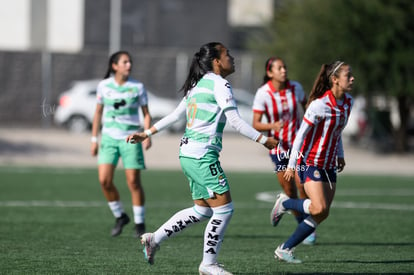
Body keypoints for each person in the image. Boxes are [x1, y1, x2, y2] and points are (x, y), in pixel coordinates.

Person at [126, 42, 279, 275]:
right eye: (228, 54)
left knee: (202, 211)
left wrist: (146, 133)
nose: (233, 58)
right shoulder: (220, 84)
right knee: (224, 210)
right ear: (217, 61)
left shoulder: (197, 85)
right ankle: (208, 264)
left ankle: (153, 239)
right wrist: (263, 140)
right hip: (201, 156)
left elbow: (176, 115)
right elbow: (236, 122)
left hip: (188, 154)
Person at [270, 61, 354, 263]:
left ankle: (285, 248)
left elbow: (337, 132)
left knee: (323, 213)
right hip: (311, 162)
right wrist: (291, 165)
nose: (352, 79)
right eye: (348, 75)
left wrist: (340, 154)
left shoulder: (348, 102)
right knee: (318, 208)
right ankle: (286, 203)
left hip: (329, 165)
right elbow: (300, 137)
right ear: (335, 80)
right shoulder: (319, 105)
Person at [251, 57, 316, 245]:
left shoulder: (296, 88)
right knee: (289, 189)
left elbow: (308, 110)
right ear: (270, 72)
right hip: (278, 148)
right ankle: (299, 222)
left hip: (299, 145)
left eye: (285, 67)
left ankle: (306, 227)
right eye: (279, 68)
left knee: (303, 184)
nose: (284, 70)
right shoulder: (263, 93)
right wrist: (272, 125)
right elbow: (255, 123)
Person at [91, 50, 152, 238]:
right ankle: (120, 216)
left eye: (130, 62)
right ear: (114, 66)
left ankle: (139, 223)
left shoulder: (138, 87)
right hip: (109, 139)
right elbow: (98, 113)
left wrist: (147, 134)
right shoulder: (104, 86)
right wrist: (94, 139)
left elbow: (146, 114)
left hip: (131, 138)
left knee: (133, 181)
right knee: (104, 181)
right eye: (125, 62)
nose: (129, 65)